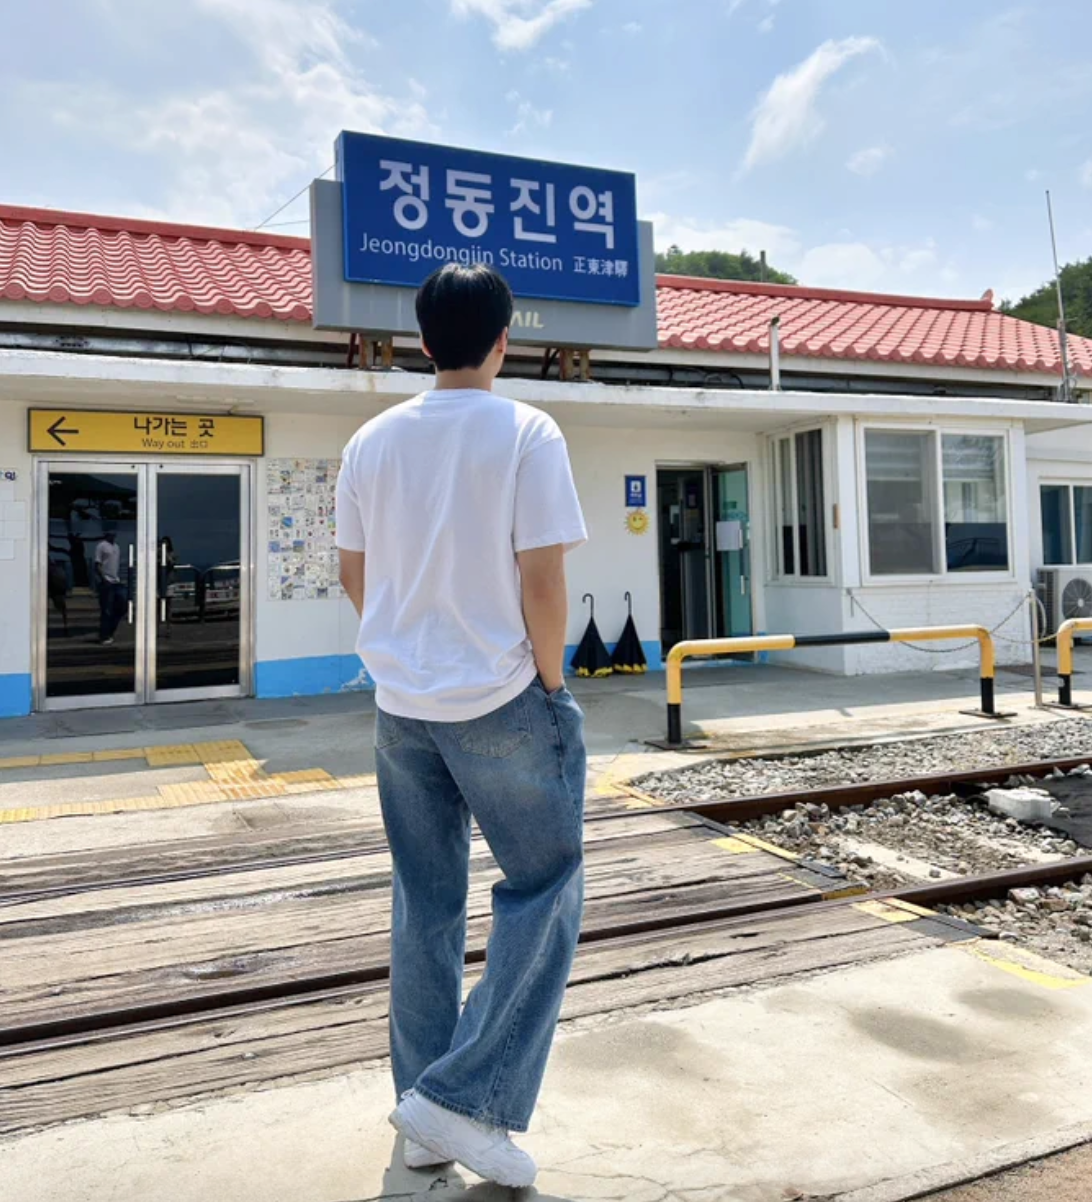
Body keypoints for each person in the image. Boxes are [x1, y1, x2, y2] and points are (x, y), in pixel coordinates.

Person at [336, 263, 587, 1189]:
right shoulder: (527, 429)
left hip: (400, 706)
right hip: (503, 698)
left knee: (425, 907)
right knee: (548, 885)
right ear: (504, 338)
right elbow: (544, 578)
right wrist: (552, 685)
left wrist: (403, 650)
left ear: (420, 338)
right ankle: (466, 1099)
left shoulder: (371, 440)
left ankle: (423, 1118)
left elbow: (356, 573)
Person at [94, 530, 123, 645]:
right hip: (106, 581)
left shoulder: (116, 547)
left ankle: (110, 631)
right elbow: (97, 564)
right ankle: (104, 635)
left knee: (121, 606)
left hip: (116, 580)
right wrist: (103, 579)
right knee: (106, 609)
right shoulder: (101, 546)